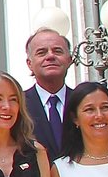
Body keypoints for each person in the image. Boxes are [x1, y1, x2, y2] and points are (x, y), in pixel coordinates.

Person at [21, 27, 74, 158]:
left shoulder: (83, 102)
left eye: (57, 51)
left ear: (69, 60)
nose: (50, 56)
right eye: (41, 52)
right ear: (29, 64)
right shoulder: (17, 105)